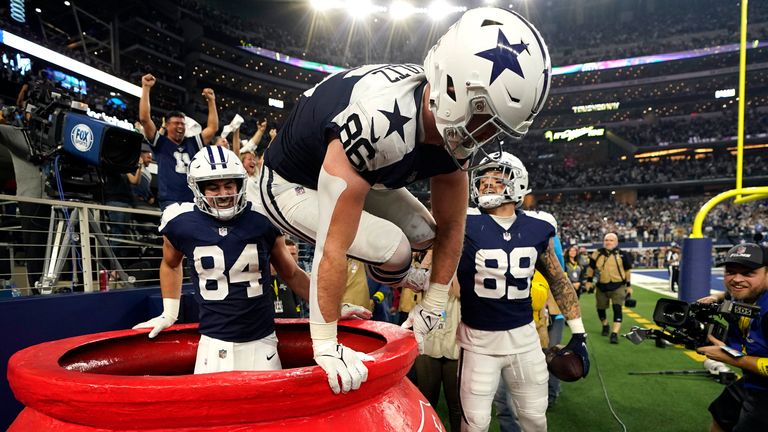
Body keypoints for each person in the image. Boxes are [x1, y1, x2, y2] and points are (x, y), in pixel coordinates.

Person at [259, 7, 552, 394]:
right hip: (290, 183)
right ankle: (397, 273)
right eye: (482, 116)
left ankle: (402, 275)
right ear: (452, 86)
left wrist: (433, 299)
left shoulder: (444, 119)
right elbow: (334, 249)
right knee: (396, 250)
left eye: (493, 126)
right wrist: (326, 343)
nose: (482, 134)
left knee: (423, 232)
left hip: (362, 172)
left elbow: (452, 227)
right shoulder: (376, 124)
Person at [133, 147, 309, 373]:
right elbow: (170, 263)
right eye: (213, 187)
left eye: (229, 185)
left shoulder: (262, 218)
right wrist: (169, 313)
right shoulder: (181, 221)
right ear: (198, 188)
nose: (223, 193)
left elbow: (291, 273)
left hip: (261, 341)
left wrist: (329, 306)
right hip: (212, 342)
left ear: (240, 184)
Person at [457, 152, 588, 432]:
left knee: (534, 419)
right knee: (475, 424)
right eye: (483, 178)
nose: (486, 183)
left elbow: (558, 280)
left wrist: (579, 333)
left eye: (497, 176)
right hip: (478, 342)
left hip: (525, 339)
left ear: (517, 181)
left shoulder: (538, 226)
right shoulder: (463, 221)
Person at [696, 243, 768, 432]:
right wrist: (717, 298)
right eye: (730, 271)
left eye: (748, 273)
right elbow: (732, 291)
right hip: (753, 381)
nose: (737, 279)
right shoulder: (747, 293)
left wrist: (730, 357)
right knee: (721, 413)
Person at [138, 73, 219, 209]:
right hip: (170, 200)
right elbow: (145, 119)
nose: (180, 126)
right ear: (167, 125)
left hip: (195, 200)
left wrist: (211, 101)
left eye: (182, 124)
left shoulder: (192, 143)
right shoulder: (160, 142)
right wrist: (146, 88)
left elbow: (213, 128)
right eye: (176, 123)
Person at [584, 232, 633, 344]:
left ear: (616, 242)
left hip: (618, 285)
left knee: (617, 308)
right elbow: (591, 268)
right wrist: (589, 282)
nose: (608, 242)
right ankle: (605, 324)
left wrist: (629, 285)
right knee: (600, 308)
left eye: (611, 240)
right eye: (606, 240)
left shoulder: (622, 254)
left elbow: (627, 270)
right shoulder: (597, 253)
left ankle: (614, 333)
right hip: (601, 285)